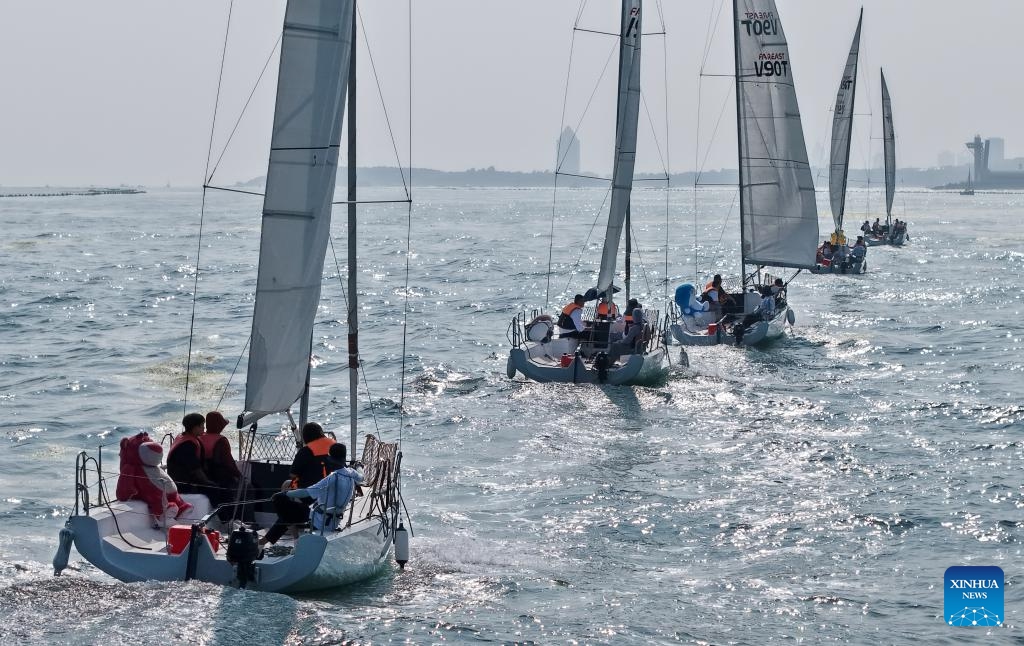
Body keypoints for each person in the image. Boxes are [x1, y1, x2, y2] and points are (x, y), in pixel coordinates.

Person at [260, 422, 337, 547]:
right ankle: (270, 540)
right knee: (287, 495)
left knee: (282, 497)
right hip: (330, 492)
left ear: (306, 437)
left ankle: (294, 535)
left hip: (309, 496)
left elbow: (293, 474)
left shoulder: (306, 451)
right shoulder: (334, 447)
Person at [284, 443, 364, 533]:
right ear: (344, 459)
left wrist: (285, 493)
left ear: (330, 459)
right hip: (335, 519)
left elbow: (306, 492)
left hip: (321, 522)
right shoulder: (351, 472)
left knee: (285, 508)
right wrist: (359, 466)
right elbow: (362, 477)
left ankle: (296, 540)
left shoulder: (331, 478)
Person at [167, 413, 217, 496]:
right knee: (217, 489)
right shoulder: (187, 445)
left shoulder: (184, 437)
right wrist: (208, 483)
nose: (204, 428)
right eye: (202, 425)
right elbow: (195, 468)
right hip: (183, 485)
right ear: (195, 427)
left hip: (186, 479)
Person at [200, 411, 242, 492]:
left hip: (204, 476)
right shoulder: (221, 441)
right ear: (220, 426)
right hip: (219, 479)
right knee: (249, 487)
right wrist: (239, 475)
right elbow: (228, 463)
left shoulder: (199, 437)